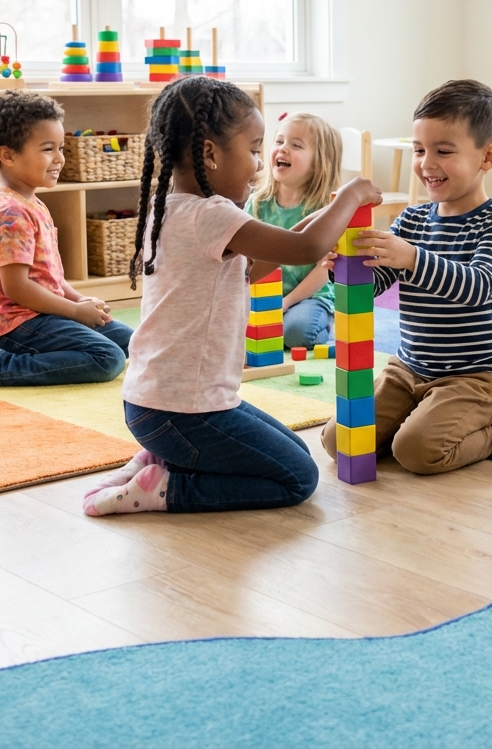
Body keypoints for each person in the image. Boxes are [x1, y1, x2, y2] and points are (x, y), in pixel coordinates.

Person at [83, 76, 380, 517]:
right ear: (209, 153)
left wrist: (323, 217)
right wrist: (353, 192)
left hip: (157, 405)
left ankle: (159, 457)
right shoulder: (211, 215)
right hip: (183, 412)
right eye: (255, 149)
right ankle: (165, 488)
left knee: (289, 448)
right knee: (298, 475)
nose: (259, 164)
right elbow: (303, 250)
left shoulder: (171, 207)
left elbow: (254, 266)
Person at [320, 79, 492, 475]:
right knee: (340, 439)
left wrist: (413, 258)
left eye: (443, 151)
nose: (426, 163)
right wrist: (343, 268)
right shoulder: (412, 220)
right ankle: (418, 413)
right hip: (410, 369)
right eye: (419, 150)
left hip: (475, 374)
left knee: (417, 452)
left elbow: (478, 287)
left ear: (487, 157)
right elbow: (378, 281)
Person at [0, 91, 133, 387]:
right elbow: (18, 288)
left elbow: (48, 275)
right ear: (8, 155)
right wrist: (75, 312)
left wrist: (79, 299)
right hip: (13, 325)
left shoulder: (31, 202)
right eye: (48, 149)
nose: (60, 158)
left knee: (133, 343)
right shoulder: (10, 213)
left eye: (61, 147)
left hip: (42, 314)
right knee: (107, 358)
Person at [246, 112, 342, 349]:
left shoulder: (324, 210)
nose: (283, 149)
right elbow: (245, 260)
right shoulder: (257, 203)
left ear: (318, 162)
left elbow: (323, 272)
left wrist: (286, 303)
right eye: (279, 141)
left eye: (296, 145)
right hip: (263, 295)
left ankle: (324, 323)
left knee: (296, 333)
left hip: (310, 297)